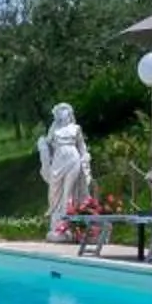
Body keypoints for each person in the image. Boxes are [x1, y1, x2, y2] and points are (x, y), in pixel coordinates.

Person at [36, 103, 93, 241]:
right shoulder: (54, 129)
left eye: (64, 112)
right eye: (59, 113)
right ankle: (58, 222)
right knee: (54, 191)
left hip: (73, 160)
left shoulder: (76, 128)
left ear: (69, 114)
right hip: (58, 162)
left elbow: (82, 148)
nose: (62, 115)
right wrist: (42, 145)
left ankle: (66, 224)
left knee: (69, 191)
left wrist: (85, 158)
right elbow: (47, 144)